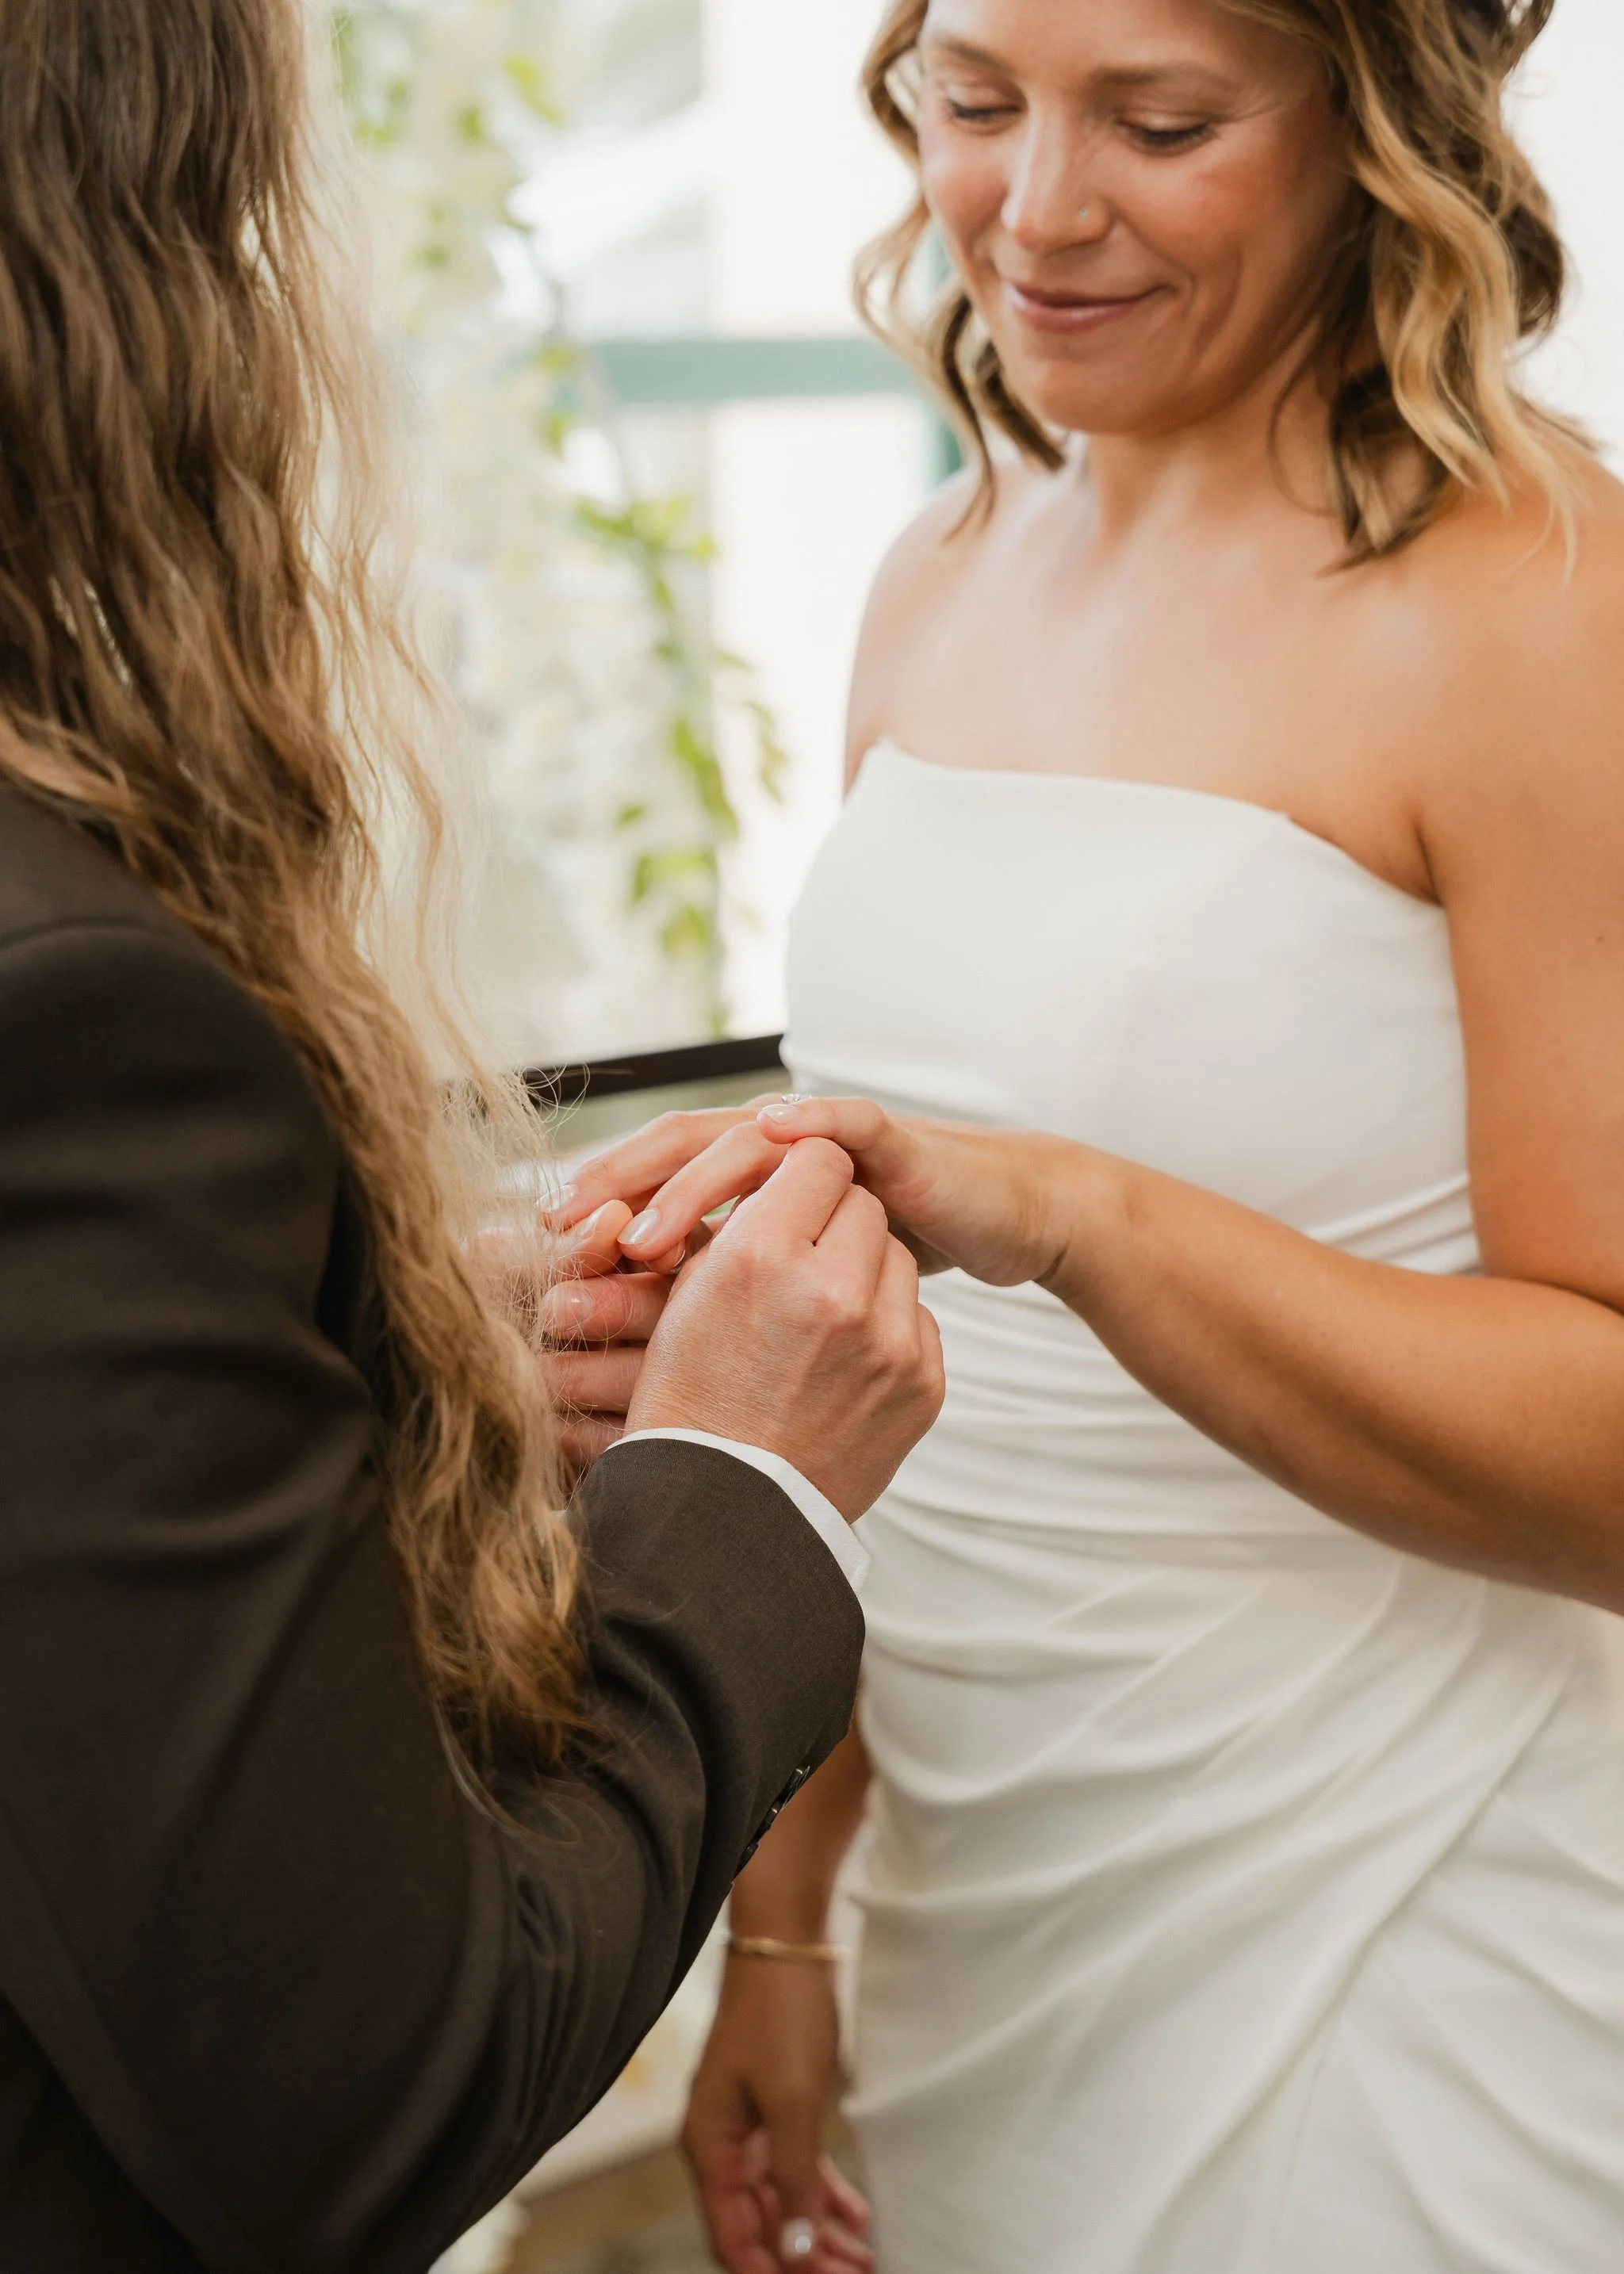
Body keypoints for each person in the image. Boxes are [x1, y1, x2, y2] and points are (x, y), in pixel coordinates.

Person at [557, 0, 1624, 2266]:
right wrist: (785, 1925)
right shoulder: (936, 573)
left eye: (1159, 121)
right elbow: (869, 1375)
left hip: (1397, 1928)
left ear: (1375, 128)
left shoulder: (1533, 598)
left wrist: (1082, 1215)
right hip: (980, 1918)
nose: (1034, 213)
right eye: (973, 102)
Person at [0, 5, 948, 2269]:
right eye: (969, 103)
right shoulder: (81, 1024)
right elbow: (362, 2085)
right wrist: (739, 1488)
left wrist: (371, 1366)